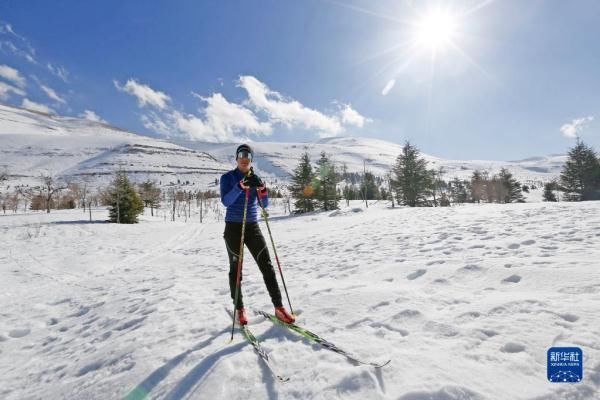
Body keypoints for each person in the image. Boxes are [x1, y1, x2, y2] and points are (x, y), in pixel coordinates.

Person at [220, 144, 295, 325]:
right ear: (236, 158)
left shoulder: (256, 178)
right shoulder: (227, 178)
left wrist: (262, 190)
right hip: (233, 228)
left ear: (251, 159)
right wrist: (240, 186)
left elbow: (264, 204)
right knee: (236, 271)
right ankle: (239, 309)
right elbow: (226, 201)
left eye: (248, 155)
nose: (244, 158)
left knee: (267, 265)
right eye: (241, 154)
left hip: (253, 227)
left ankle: (279, 307)